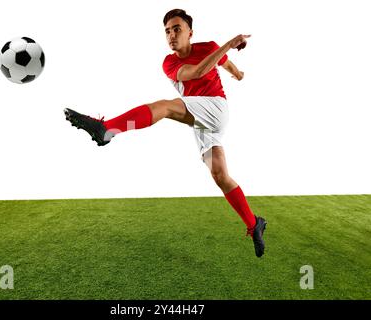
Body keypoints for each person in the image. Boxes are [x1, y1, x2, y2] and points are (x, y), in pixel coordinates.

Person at [64, 9, 267, 257]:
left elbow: (226, 63)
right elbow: (197, 72)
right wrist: (229, 45)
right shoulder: (170, 63)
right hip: (199, 118)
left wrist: (238, 73)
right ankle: (254, 224)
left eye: (177, 29)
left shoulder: (210, 47)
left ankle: (107, 129)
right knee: (220, 175)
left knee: (167, 106)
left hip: (215, 108)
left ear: (190, 32)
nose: (172, 35)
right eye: (168, 31)